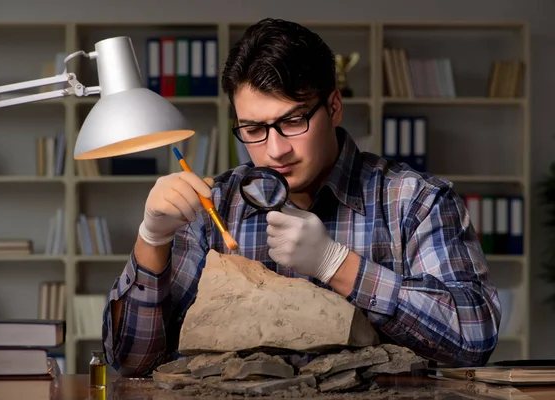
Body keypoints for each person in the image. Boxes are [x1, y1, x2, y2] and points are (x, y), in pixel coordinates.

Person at [102, 18, 501, 377]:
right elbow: (132, 364)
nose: (275, 150)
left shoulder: (415, 201)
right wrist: (151, 241)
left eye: (293, 121)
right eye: (254, 129)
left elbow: (473, 340)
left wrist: (339, 265)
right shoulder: (215, 206)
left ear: (334, 107)